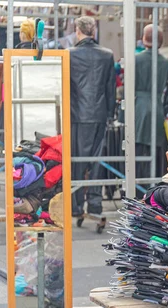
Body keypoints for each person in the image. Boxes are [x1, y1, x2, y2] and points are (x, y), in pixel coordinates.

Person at [69, 16, 116, 216]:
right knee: (97, 161)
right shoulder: (107, 55)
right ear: (94, 31)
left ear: (78, 32)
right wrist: (110, 114)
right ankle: (95, 204)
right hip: (99, 115)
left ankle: (76, 206)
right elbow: (110, 89)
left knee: (78, 161)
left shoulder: (69, 54)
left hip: (77, 115)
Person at [135, 24, 168, 181]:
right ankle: (155, 191)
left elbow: (127, 89)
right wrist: (163, 110)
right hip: (158, 109)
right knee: (159, 153)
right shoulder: (167, 63)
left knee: (137, 153)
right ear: (161, 41)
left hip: (137, 109)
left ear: (143, 39)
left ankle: (138, 191)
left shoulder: (135, 60)